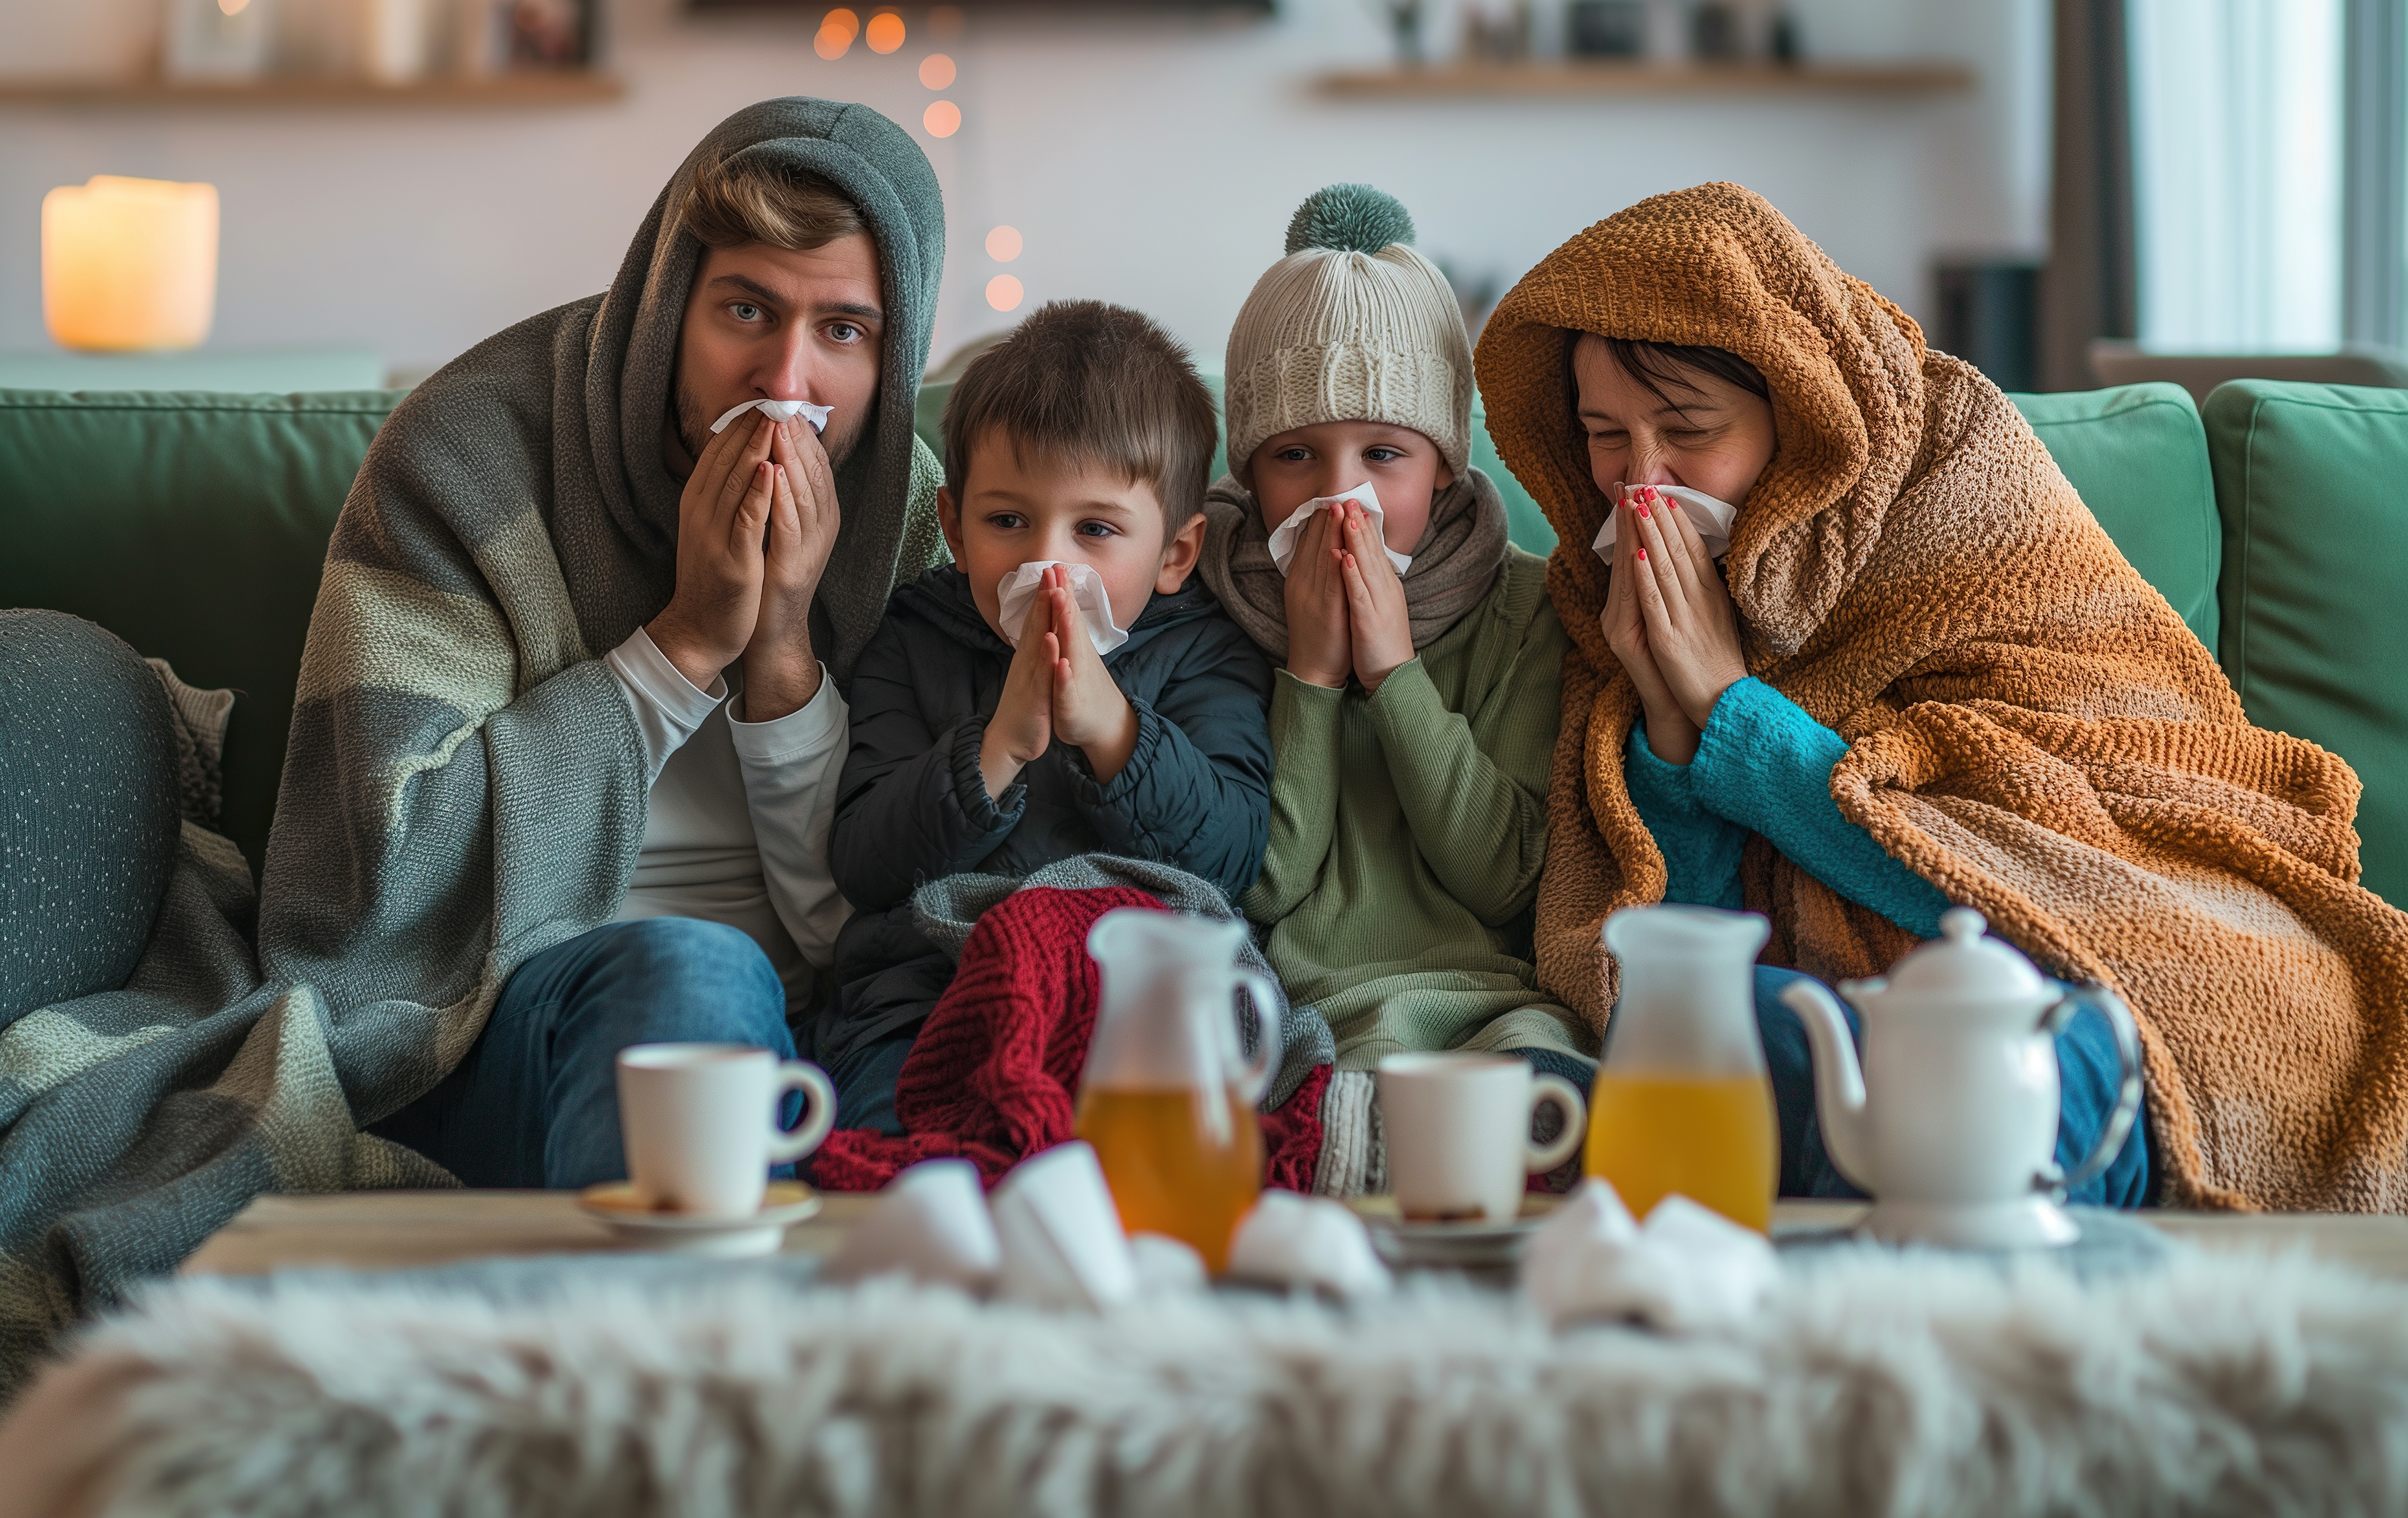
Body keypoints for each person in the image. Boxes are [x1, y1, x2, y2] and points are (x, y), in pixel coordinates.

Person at [1480, 180, 2408, 1212]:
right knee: (1708, 1028)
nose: (1640, 485)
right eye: (1607, 435)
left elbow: (2052, 880)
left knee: (2039, 1055)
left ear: (1801, 411)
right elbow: (1666, 946)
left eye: (1687, 428)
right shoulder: (1601, 604)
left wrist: (1734, 707)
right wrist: (1665, 714)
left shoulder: (1953, 478)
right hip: (1846, 1017)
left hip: (2079, 981)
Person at [263, 98, 952, 1190]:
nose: (784, 384)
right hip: (515, 1017)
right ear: (671, 301)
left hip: (829, 1025)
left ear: (894, 350)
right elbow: (382, 875)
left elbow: (903, 903)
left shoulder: (920, 517)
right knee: (693, 973)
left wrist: (781, 652)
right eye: (745, 309)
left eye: (842, 331)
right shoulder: (469, 459)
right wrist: (680, 643)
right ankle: (654, 1350)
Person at [817, 300, 1275, 1131]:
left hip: (1133, 1005)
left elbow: (1234, 856)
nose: (1047, 563)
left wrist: (1114, 732)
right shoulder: (912, 639)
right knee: (892, 1155)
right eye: (1008, 521)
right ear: (954, 530)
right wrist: (995, 751)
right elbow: (863, 862)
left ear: (1176, 554)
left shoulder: (1210, 651)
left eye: (1095, 528)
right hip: (930, 996)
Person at [1197, 184, 1589, 1104]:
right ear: (1248, 474)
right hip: (1297, 1009)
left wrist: (1394, 669)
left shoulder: (1528, 607)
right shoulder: (1205, 606)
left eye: (1383, 455)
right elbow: (1257, 886)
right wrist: (1312, 674)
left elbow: (1509, 877)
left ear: (1447, 464)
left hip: (1495, 1007)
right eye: (1295, 455)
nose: (1341, 498)